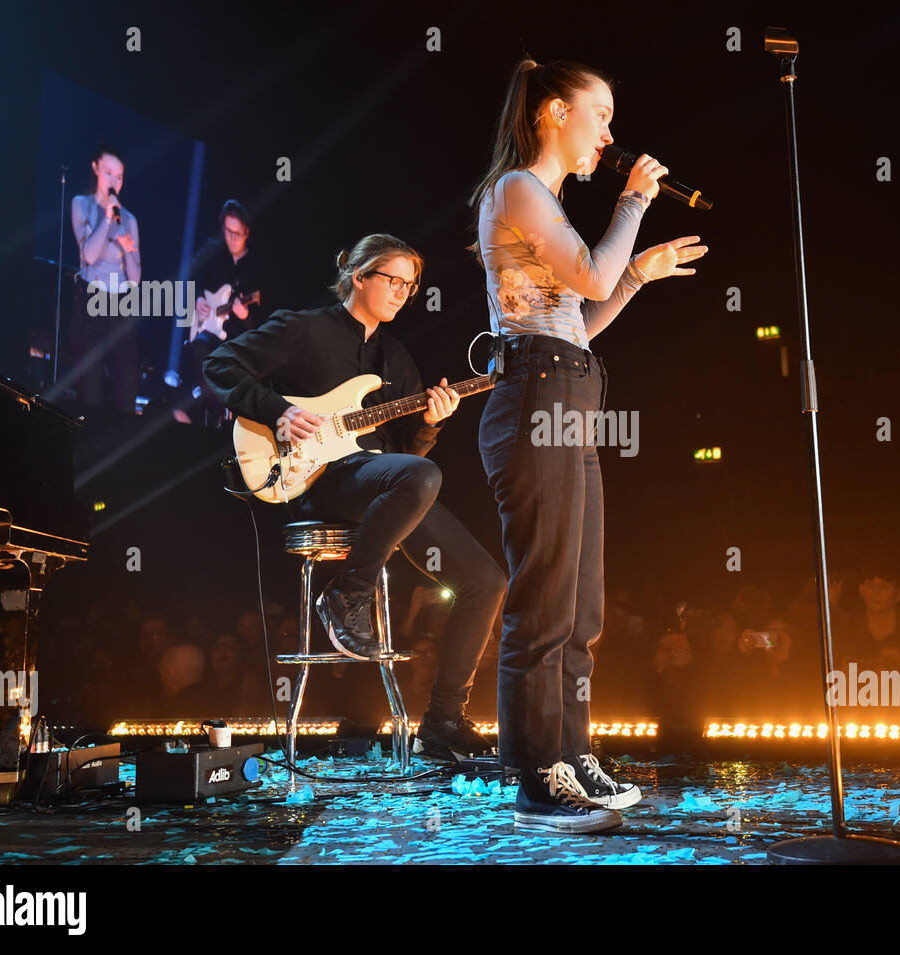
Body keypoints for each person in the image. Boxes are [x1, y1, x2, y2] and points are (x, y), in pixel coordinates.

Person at [470, 58, 708, 831]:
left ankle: (571, 755)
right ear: (552, 112)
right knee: (543, 598)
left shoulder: (547, 204)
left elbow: (583, 311)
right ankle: (537, 774)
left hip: (569, 387)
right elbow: (589, 280)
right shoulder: (517, 189)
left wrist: (636, 273)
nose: (609, 132)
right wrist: (633, 202)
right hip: (534, 394)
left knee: (580, 603)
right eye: (599, 113)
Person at [202, 234, 506, 761]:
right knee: (421, 475)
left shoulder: (397, 359)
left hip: (382, 486)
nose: (402, 292)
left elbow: (407, 460)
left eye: (410, 286)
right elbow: (219, 364)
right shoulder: (303, 328)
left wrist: (431, 425)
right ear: (359, 276)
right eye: (393, 280)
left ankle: (442, 722)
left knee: (487, 581)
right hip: (316, 481)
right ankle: (348, 593)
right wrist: (278, 411)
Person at [69, 143, 141, 411]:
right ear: (96, 168)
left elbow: (135, 278)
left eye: (119, 176)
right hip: (90, 300)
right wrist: (107, 220)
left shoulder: (130, 219)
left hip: (120, 305)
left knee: (126, 391)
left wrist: (127, 250)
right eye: (108, 173)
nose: (114, 181)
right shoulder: (81, 204)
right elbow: (88, 254)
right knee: (91, 394)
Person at [183, 200, 263, 426]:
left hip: (238, 337)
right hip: (209, 331)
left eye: (237, 233)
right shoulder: (214, 253)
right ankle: (215, 411)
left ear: (246, 233)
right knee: (199, 348)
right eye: (228, 232)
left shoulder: (255, 266)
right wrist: (198, 298)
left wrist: (245, 316)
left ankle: (223, 415)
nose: (232, 238)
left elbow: (261, 325)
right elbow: (191, 277)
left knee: (227, 362)